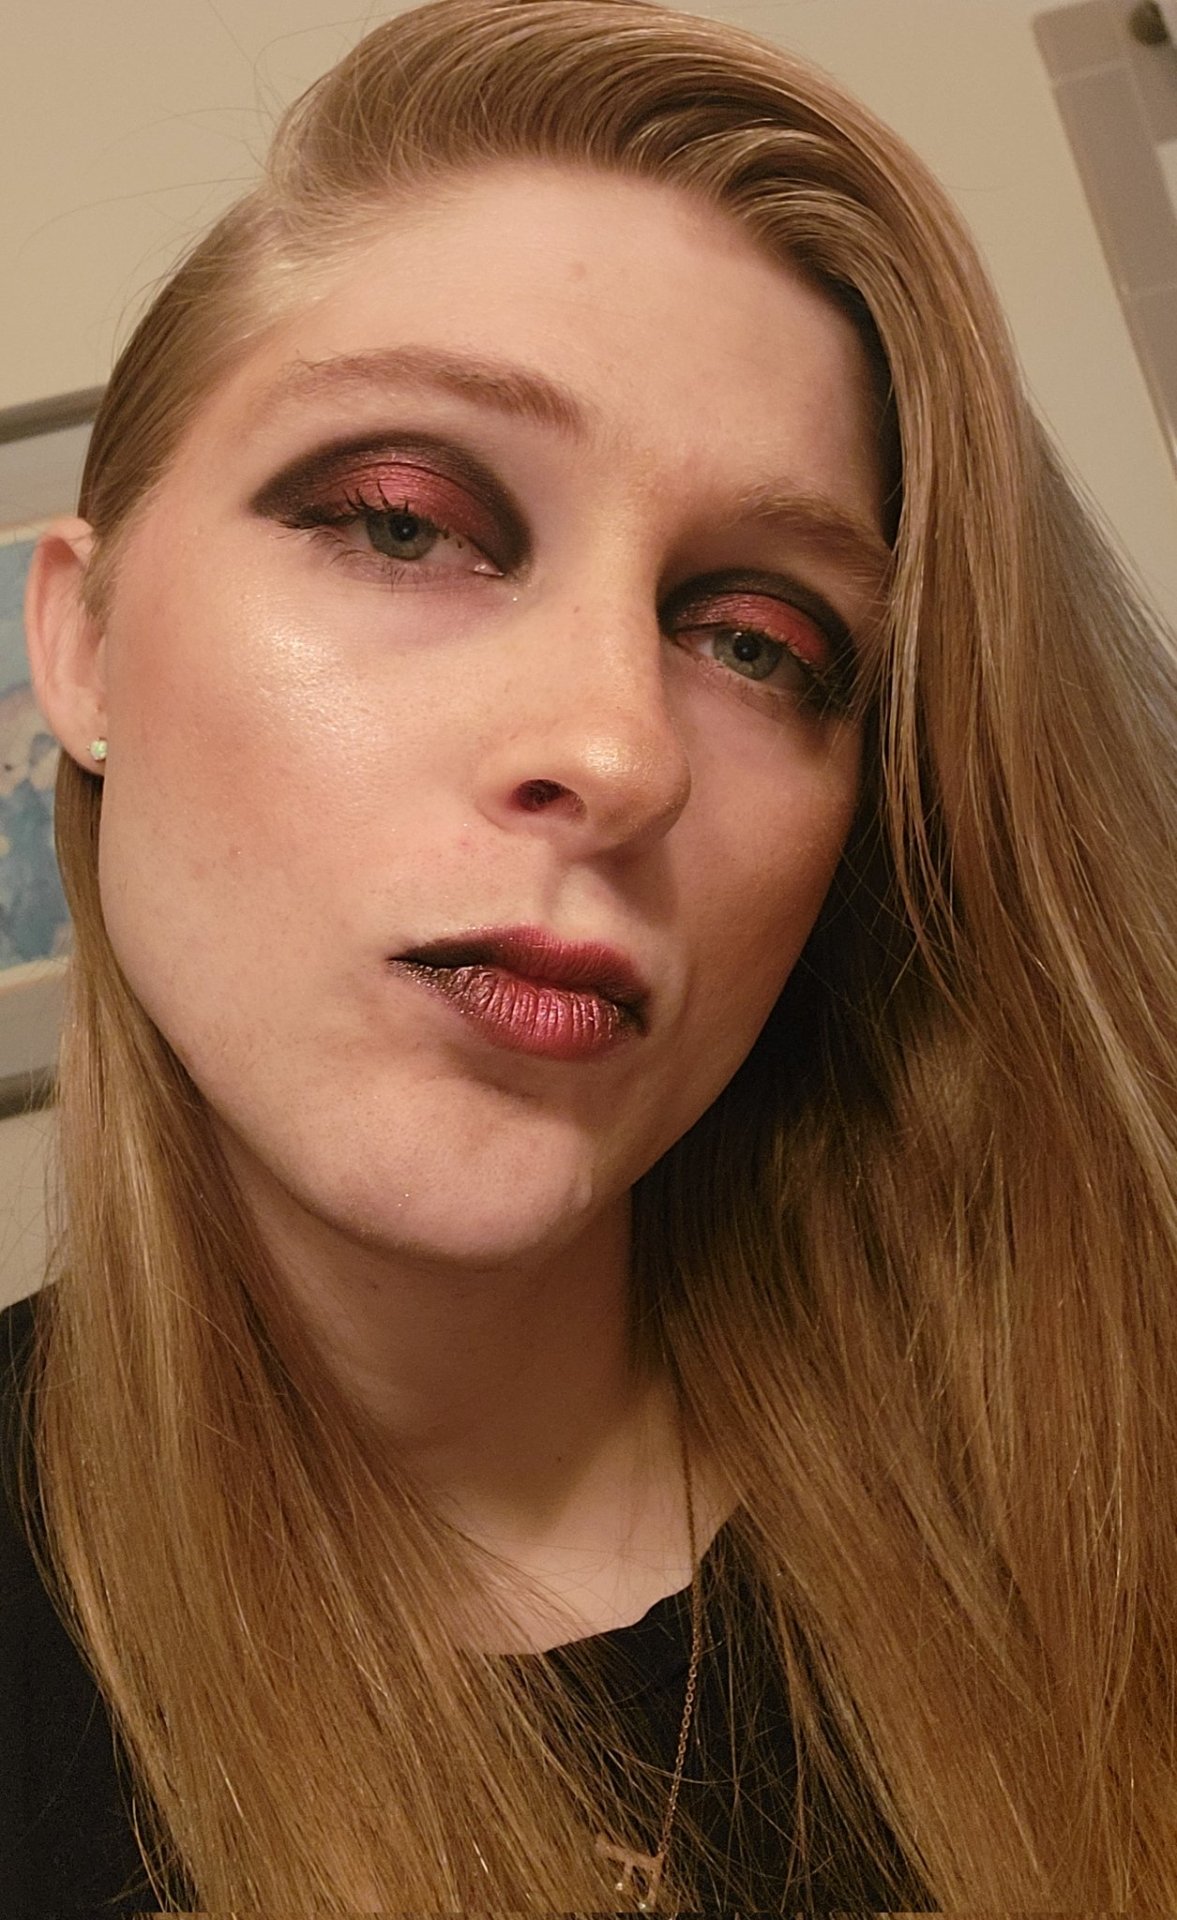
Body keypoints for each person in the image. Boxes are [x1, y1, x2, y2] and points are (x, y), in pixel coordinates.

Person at [2, 0, 1176, 1909]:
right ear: (85, 644)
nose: (621, 750)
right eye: (405, 527)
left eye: (758, 643)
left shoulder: (1112, 1493)